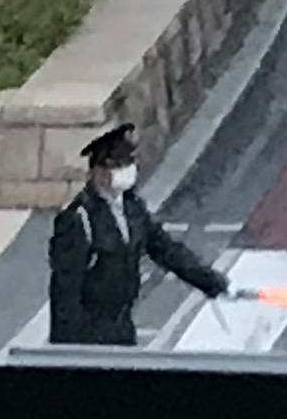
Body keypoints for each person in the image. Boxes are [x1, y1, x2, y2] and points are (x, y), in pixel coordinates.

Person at [47, 123, 234, 344]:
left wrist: (209, 281)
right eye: (118, 164)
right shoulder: (78, 219)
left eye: (129, 162)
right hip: (88, 331)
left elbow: (165, 249)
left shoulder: (132, 207)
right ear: (99, 171)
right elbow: (65, 288)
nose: (126, 169)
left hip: (122, 326)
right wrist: (65, 351)